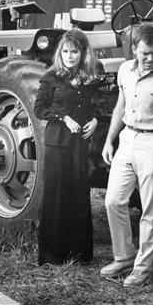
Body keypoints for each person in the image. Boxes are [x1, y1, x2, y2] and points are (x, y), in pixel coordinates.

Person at [100, 24, 153, 287]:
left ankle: (143, 268)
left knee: (150, 210)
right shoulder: (125, 70)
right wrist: (109, 140)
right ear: (135, 50)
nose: (150, 58)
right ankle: (124, 257)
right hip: (127, 139)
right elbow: (120, 106)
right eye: (145, 53)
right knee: (113, 201)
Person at [33, 29, 101, 265]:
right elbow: (39, 109)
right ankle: (53, 257)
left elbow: (95, 106)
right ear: (59, 53)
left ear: (83, 54)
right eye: (65, 51)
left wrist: (95, 120)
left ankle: (80, 255)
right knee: (57, 196)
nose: (69, 56)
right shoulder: (51, 77)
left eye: (74, 51)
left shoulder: (89, 77)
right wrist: (63, 118)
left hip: (79, 144)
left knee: (79, 195)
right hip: (56, 143)